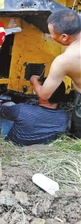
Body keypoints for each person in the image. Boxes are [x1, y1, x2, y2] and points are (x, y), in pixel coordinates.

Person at [30, 9, 81, 137]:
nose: (51, 37)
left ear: (64, 37)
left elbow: (44, 94)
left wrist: (34, 81)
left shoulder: (64, 61)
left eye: (52, 33)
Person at [0, 81, 69, 146]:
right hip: (40, 147)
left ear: (44, 94)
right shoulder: (64, 117)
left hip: (13, 145)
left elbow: (1, 110)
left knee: (8, 105)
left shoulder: (21, 109)